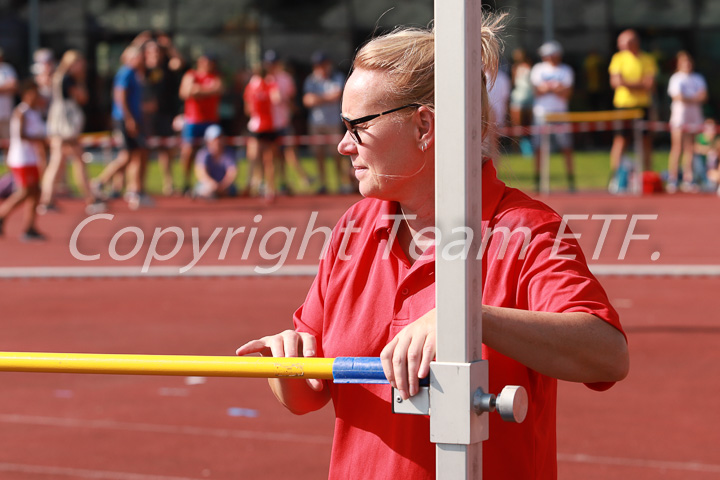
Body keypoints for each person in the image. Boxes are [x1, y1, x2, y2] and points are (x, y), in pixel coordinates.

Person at [236, 13, 628, 480]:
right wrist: (288, 366)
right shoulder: (354, 227)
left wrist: (466, 319)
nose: (343, 145)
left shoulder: (523, 228)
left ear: (425, 126)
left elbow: (607, 355)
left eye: (358, 125)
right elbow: (307, 397)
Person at [40, 50, 105, 215]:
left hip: (59, 124)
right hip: (65, 125)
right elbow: (83, 97)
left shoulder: (59, 77)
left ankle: (47, 199)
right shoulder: (67, 79)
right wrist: (81, 82)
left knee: (58, 162)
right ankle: (90, 198)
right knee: (75, 160)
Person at [92, 45, 148, 210]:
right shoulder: (126, 72)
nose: (143, 59)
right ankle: (100, 182)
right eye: (139, 57)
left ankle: (135, 190)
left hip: (131, 118)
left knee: (138, 153)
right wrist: (129, 118)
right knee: (127, 155)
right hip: (124, 119)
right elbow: (120, 96)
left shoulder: (135, 74)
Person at [608, 29, 658, 190]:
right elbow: (616, 82)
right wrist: (639, 84)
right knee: (621, 140)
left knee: (646, 141)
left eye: (626, 42)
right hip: (623, 105)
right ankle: (615, 177)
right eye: (621, 42)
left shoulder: (647, 59)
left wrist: (628, 84)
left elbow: (650, 85)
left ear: (635, 42)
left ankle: (647, 177)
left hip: (643, 105)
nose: (622, 45)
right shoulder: (618, 58)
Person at [303, 51, 355, 194]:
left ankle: (341, 182)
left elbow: (336, 96)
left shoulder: (336, 77)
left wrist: (318, 99)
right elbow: (307, 100)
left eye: (322, 64)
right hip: (316, 122)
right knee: (318, 154)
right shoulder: (311, 80)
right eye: (317, 65)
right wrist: (325, 98)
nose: (320, 67)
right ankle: (323, 183)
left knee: (337, 154)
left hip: (333, 122)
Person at [0, 80, 46, 241]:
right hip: (21, 158)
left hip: (31, 158)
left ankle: (30, 227)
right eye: (34, 93)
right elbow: (21, 135)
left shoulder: (35, 111)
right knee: (26, 191)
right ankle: (2, 214)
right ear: (27, 94)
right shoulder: (21, 112)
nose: (37, 97)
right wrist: (41, 139)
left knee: (36, 192)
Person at [530, 40, 576, 192]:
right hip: (541, 114)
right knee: (538, 147)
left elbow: (566, 94)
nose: (546, 58)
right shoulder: (538, 69)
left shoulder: (566, 70)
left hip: (560, 115)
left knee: (566, 147)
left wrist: (548, 88)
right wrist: (555, 88)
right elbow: (537, 90)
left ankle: (570, 181)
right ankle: (538, 181)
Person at [265, 50, 311, 193]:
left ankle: (296, 179)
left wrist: (286, 104)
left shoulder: (285, 78)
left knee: (289, 152)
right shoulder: (263, 80)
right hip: (269, 124)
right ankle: (273, 186)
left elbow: (290, 99)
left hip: (283, 122)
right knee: (272, 157)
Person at [143, 36, 184, 196]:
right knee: (140, 151)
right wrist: (140, 41)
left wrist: (169, 45)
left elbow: (179, 62)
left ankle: (169, 184)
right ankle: (138, 186)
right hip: (146, 116)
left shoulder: (167, 67)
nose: (155, 54)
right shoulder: (142, 69)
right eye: (152, 51)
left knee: (166, 150)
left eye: (158, 51)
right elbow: (126, 58)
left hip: (165, 114)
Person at [178, 53, 223, 195]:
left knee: (214, 151)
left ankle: (212, 181)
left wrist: (198, 91)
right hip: (193, 120)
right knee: (188, 151)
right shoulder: (191, 75)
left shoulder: (216, 76)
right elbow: (185, 92)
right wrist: (208, 91)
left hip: (210, 121)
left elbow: (219, 89)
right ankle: (186, 182)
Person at [666, 51, 707, 193]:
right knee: (677, 147)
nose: (687, 65)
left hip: (694, 117)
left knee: (690, 148)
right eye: (684, 62)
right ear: (679, 64)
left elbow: (703, 96)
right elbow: (677, 97)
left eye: (689, 62)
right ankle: (673, 178)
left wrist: (689, 99)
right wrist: (693, 99)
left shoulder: (698, 78)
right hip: (680, 117)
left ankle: (688, 179)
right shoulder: (676, 78)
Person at [243, 64, 279, 201]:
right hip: (261, 126)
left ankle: (264, 187)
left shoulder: (262, 85)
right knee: (259, 158)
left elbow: (248, 108)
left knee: (261, 159)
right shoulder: (257, 86)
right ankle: (261, 186)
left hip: (265, 126)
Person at [193, 124, 237, 199]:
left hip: (226, 187)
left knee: (231, 190)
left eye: (220, 138)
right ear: (208, 141)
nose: (218, 141)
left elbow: (232, 172)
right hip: (207, 185)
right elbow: (201, 173)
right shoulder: (203, 154)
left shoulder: (229, 154)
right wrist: (212, 185)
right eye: (215, 139)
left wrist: (222, 186)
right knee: (205, 189)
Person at [509, 48, 533, 156]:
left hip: (528, 97)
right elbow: (514, 83)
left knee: (527, 125)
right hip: (518, 98)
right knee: (517, 125)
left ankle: (527, 148)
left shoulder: (529, 67)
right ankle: (516, 149)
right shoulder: (514, 68)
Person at [695, 118, 719, 191]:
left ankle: (711, 182)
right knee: (696, 158)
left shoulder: (717, 139)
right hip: (702, 167)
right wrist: (708, 149)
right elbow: (696, 149)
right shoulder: (700, 137)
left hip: (713, 167)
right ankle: (699, 181)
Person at [0, 47, 18, 143]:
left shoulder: (8, 68)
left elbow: (13, 86)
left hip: (6, 113)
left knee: (8, 141)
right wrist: (5, 88)